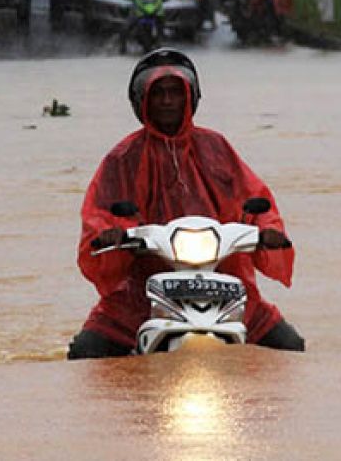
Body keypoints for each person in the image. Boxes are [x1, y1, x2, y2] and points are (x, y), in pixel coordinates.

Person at [67, 48, 306, 359]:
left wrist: (266, 230)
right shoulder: (122, 159)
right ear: (143, 101)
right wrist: (112, 234)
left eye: (175, 93)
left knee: (290, 348)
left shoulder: (216, 148)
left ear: (190, 98)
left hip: (221, 279)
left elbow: (252, 197)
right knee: (86, 353)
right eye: (159, 94)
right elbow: (100, 212)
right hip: (142, 292)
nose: (167, 101)